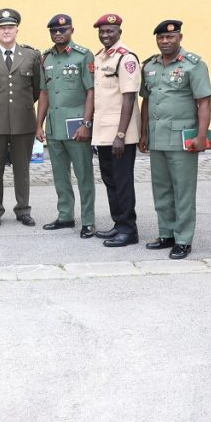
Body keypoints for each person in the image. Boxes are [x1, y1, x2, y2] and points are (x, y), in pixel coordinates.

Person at [139, 19, 211, 260]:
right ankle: (166, 233)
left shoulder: (194, 65)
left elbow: (204, 102)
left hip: (183, 139)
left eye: (170, 37)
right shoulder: (150, 66)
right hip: (157, 137)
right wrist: (144, 133)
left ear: (180, 38)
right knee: (161, 189)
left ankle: (183, 239)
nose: (165, 41)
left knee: (183, 191)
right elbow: (146, 101)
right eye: (160, 37)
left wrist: (202, 135)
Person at [0, 9, 41, 227]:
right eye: (2, 28)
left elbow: (36, 89)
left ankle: (23, 210)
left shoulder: (31, 55)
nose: (6, 31)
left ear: (17, 30)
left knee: (22, 169)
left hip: (23, 121)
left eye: (10, 27)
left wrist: (22, 106)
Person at [36, 14, 96, 237]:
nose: (58, 34)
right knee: (60, 175)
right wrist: (39, 124)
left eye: (63, 30)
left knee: (84, 175)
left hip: (77, 125)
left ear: (72, 31)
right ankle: (65, 215)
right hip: (54, 126)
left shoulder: (83, 55)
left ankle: (88, 220)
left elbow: (91, 91)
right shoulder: (46, 58)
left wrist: (87, 123)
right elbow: (44, 93)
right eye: (54, 31)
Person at [89, 14, 142, 247]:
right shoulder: (101, 57)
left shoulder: (126, 58)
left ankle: (129, 230)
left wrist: (121, 135)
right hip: (103, 131)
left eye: (110, 31)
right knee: (110, 180)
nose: (105, 35)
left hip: (121, 134)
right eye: (102, 32)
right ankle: (119, 224)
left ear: (119, 32)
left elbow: (129, 98)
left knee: (123, 181)